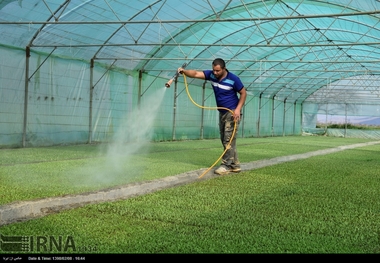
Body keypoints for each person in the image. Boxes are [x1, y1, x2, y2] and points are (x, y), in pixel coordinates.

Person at [178, 58, 247, 175]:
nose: (215, 73)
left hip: (232, 113)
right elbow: (195, 74)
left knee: (228, 139)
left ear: (224, 69)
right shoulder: (211, 75)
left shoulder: (233, 79)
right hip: (222, 112)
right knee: (225, 139)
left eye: (218, 71)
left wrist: (238, 109)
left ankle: (226, 165)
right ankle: (235, 165)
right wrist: (184, 71)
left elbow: (243, 93)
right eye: (214, 70)